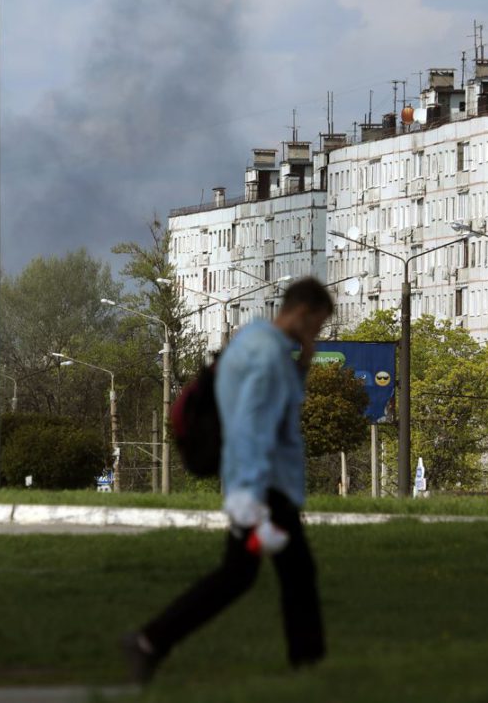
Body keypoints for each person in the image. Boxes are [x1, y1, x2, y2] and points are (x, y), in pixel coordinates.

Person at [122, 276, 333, 684]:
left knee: (246, 576)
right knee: (290, 576)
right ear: (304, 313)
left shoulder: (252, 339)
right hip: (264, 485)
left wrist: (304, 363)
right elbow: (253, 424)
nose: (317, 334)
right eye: (318, 326)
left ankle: (151, 641)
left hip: (256, 481)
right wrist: (250, 497)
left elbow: (274, 407)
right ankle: (309, 667)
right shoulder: (268, 357)